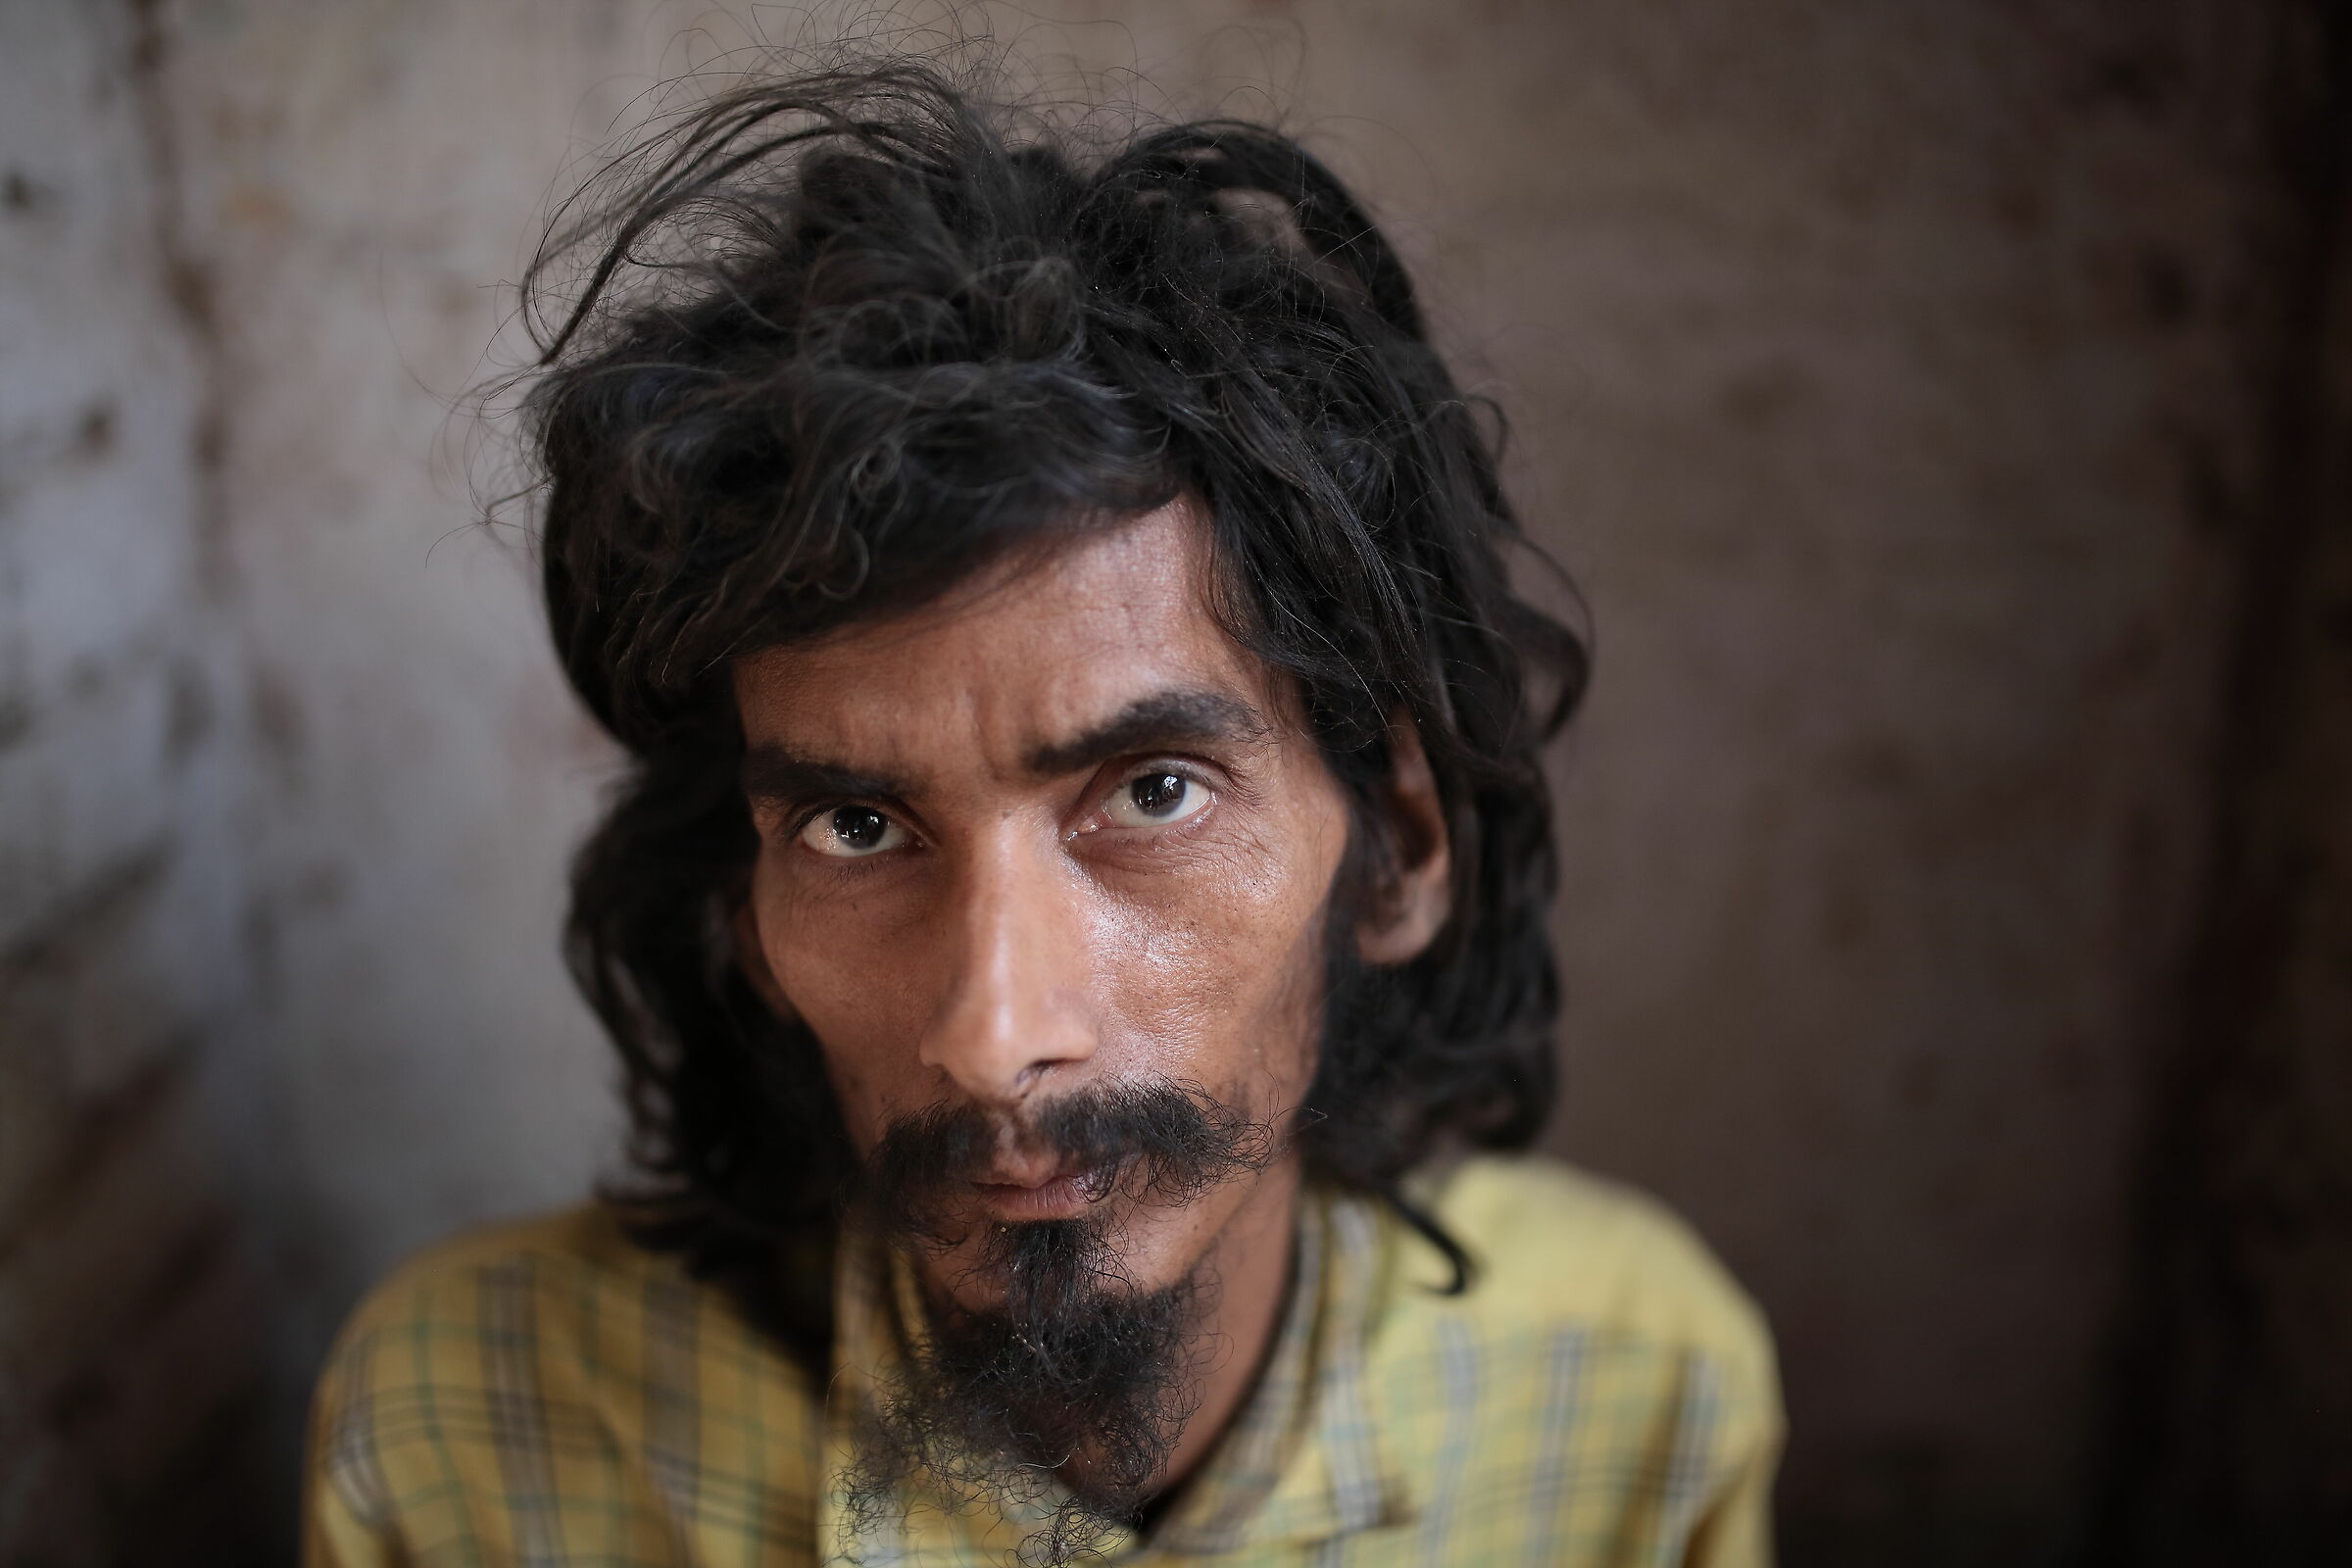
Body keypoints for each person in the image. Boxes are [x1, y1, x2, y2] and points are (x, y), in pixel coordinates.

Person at [303, 61, 1781, 1568]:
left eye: (1151, 794)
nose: (997, 1032)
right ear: (738, 913)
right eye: (854, 829)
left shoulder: (1630, 1395)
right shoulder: (463, 1434)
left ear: (1395, 847)